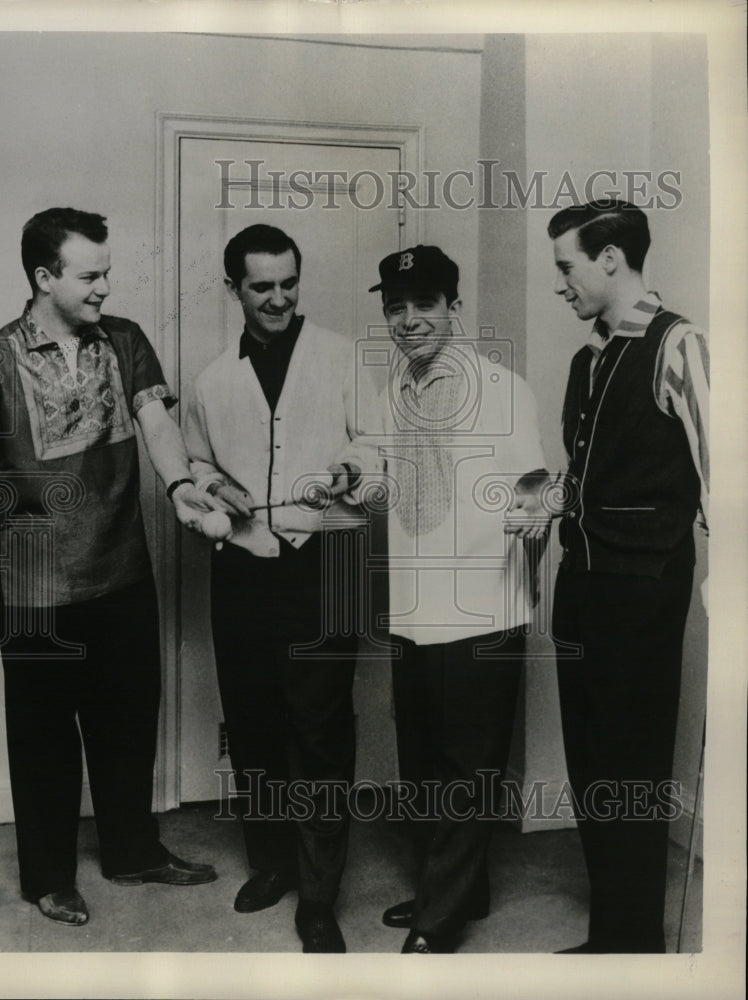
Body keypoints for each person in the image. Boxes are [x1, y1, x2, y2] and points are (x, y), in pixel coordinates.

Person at [0, 208, 229, 927]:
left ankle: (134, 851)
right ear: (43, 277)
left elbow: (157, 424)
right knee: (43, 737)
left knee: (127, 723)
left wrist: (181, 489)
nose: (105, 288)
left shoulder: (124, 341)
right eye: (90, 275)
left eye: (107, 272)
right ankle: (48, 877)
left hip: (121, 572)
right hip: (36, 588)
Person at [184, 224, 381, 953]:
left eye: (289, 283)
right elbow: (194, 463)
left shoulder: (341, 357)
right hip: (242, 566)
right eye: (261, 286)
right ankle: (270, 862)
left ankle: (320, 895)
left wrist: (351, 471)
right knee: (256, 722)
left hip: (328, 560)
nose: (278, 298)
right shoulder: (209, 380)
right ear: (234, 287)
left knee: (321, 730)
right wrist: (212, 488)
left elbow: (376, 443)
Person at [370, 245, 550, 953]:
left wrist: (519, 567)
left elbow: (534, 492)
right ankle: (458, 887)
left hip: (482, 610)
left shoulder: (504, 388)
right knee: (421, 763)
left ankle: (439, 920)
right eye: (396, 306)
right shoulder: (393, 390)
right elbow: (398, 484)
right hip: (415, 610)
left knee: (465, 769)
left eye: (426, 305)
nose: (410, 320)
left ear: (454, 308)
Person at [547, 199, 709, 953]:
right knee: (592, 768)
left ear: (610, 258)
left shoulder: (679, 345)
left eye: (567, 266)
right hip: (580, 588)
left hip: (642, 593)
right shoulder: (587, 358)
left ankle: (635, 942)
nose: (561, 283)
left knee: (632, 770)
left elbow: (726, 482)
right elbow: (586, 473)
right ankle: (612, 933)